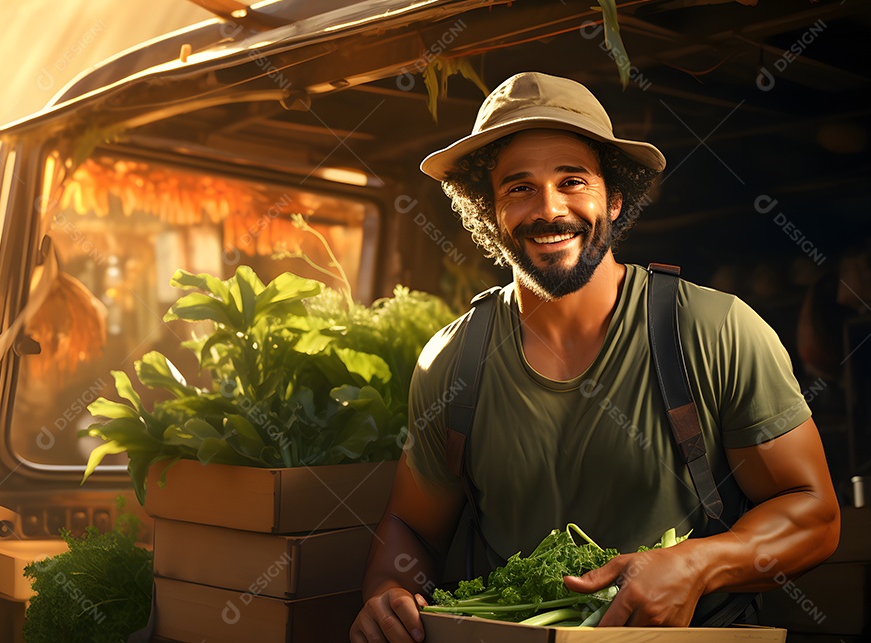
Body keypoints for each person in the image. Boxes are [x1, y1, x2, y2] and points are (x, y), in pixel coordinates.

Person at [349, 72, 840, 643]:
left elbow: (813, 514)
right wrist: (386, 590)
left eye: (572, 181)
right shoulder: (451, 361)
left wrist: (699, 564)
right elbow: (411, 526)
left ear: (615, 198)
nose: (549, 209)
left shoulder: (715, 330)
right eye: (518, 188)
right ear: (488, 212)